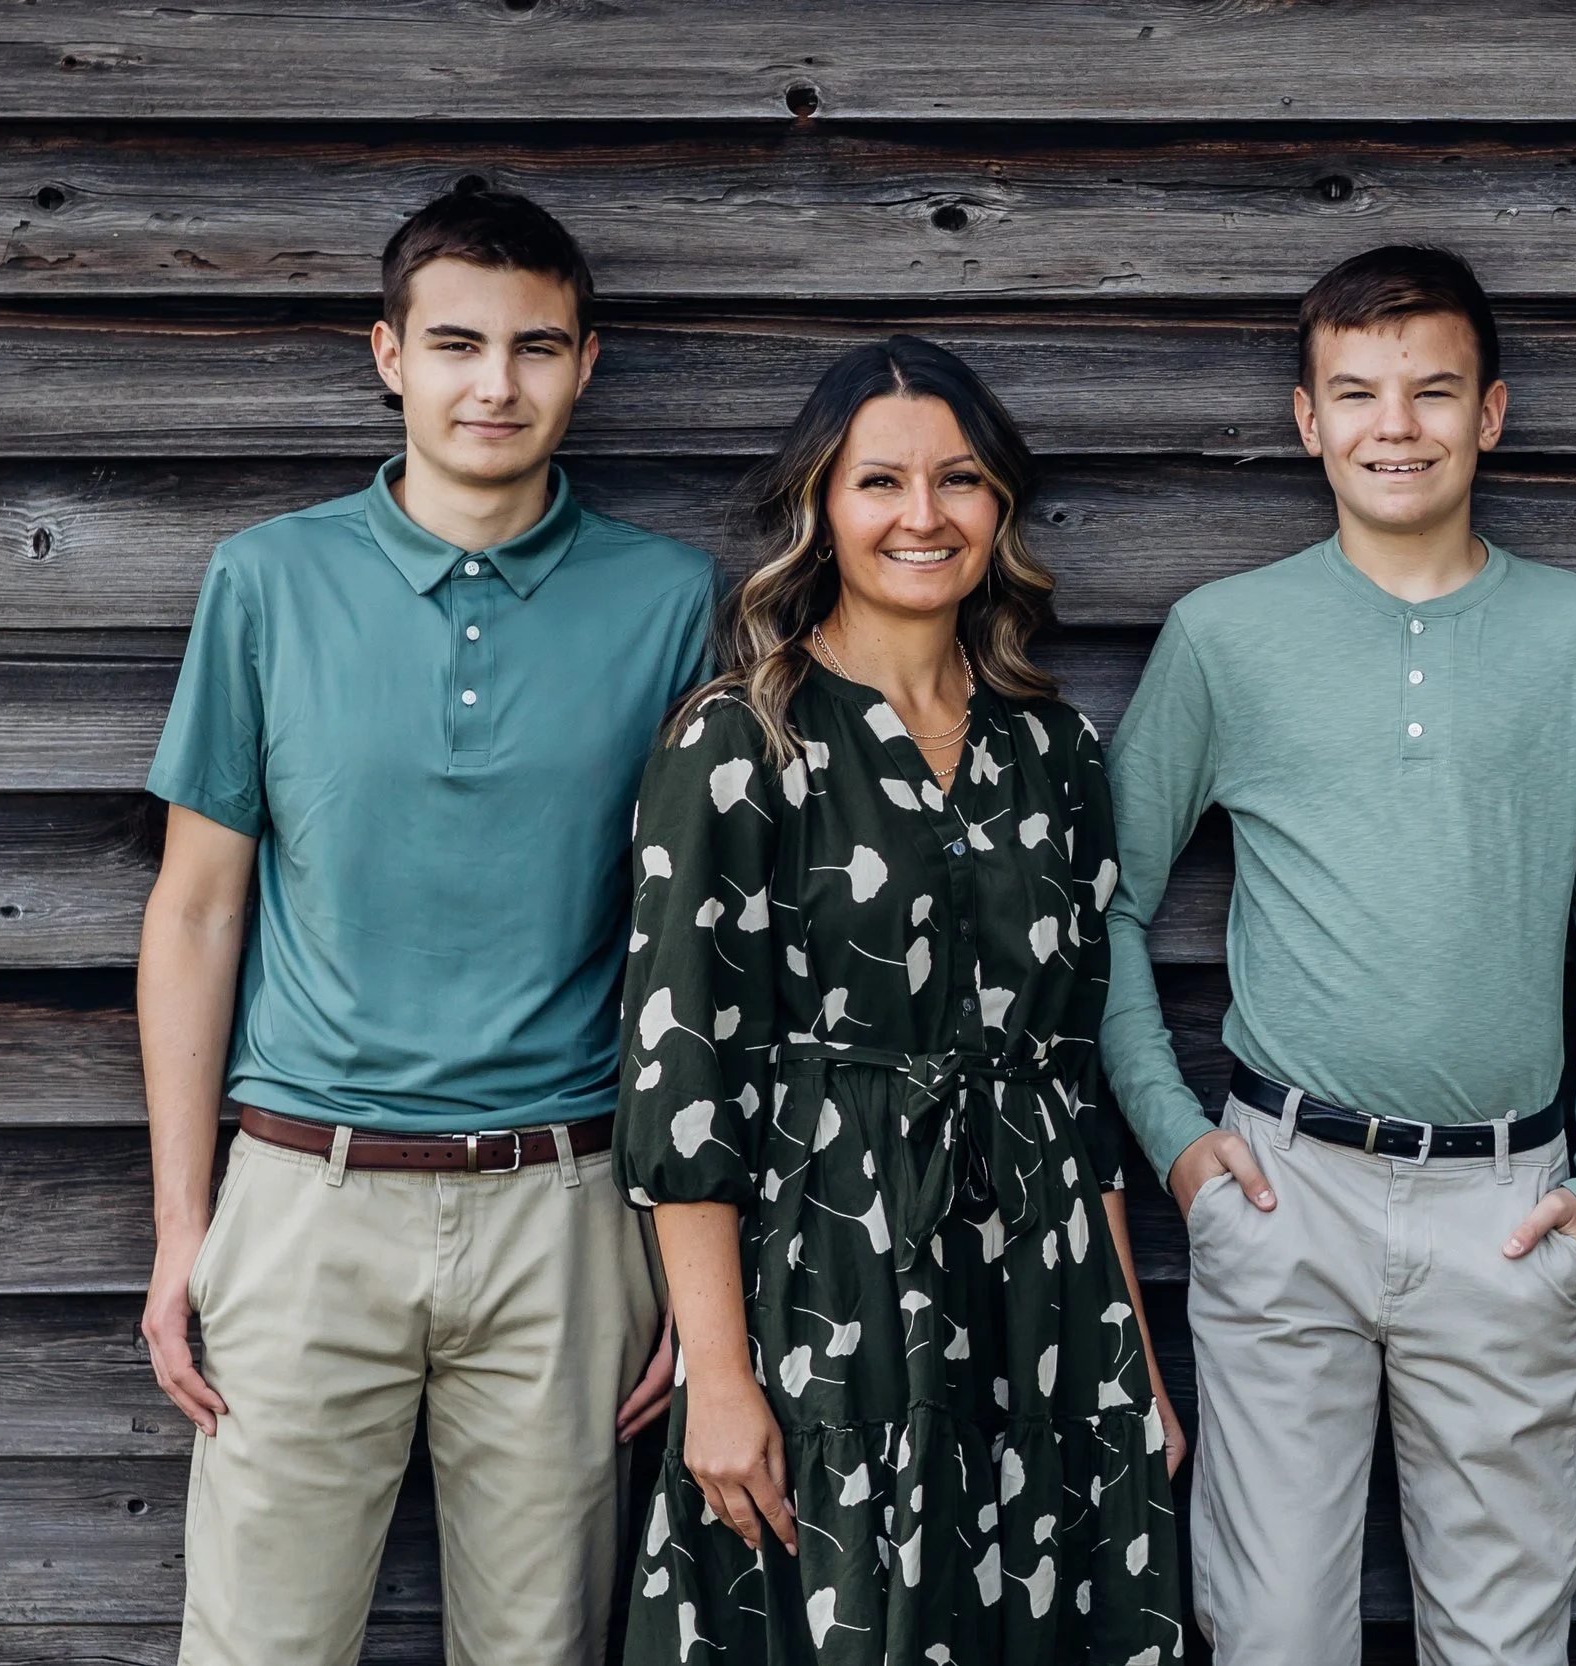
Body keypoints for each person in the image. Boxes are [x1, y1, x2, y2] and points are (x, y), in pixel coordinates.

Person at [136, 186, 713, 1665]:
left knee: (543, 1649)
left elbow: (700, 947)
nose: (494, 383)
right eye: (456, 342)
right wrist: (184, 1228)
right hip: (300, 1197)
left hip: (567, 1208)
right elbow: (198, 910)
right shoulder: (267, 580)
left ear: (587, 364)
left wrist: (691, 1263)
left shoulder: (670, 602)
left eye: (535, 347)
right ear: (387, 354)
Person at [1101, 246, 1576, 1666]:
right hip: (1282, 1192)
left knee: (1501, 1636)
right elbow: (1103, 902)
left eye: (1432, 390)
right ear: (1307, 419)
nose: (1394, 424)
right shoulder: (1225, 637)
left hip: (1509, 1202)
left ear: (1492, 413)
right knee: (1275, 1627)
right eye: (1356, 392)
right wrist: (1177, 1142)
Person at [612, 334, 1184, 1666]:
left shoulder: (1053, 745)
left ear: (1001, 510)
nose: (922, 515)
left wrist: (1133, 1358)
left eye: (960, 480)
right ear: (821, 504)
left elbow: (1075, 1078)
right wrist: (720, 1378)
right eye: (881, 482)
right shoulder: (740, 740)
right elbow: (681, 1086)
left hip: (1041, 1288)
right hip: (830, 1277)